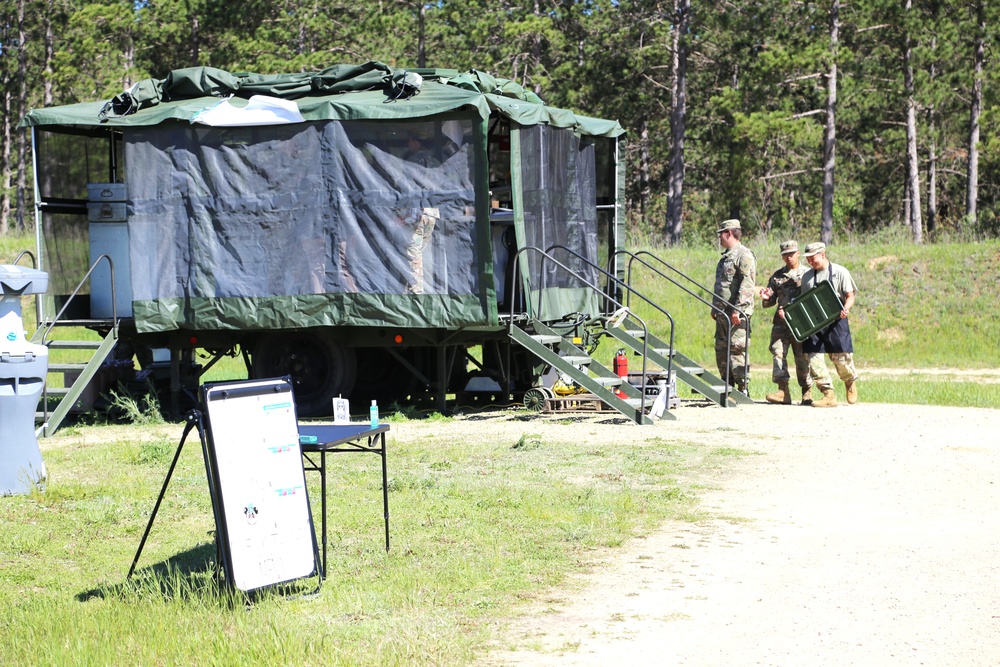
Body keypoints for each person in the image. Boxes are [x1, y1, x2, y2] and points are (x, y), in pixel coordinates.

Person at [793, 242, 859, 408]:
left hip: (836, 320)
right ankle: (828, 394)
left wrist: (846, 308)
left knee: (842, 360)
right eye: (807, 259)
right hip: (814, 324)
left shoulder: (840, 272)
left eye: (812, 258)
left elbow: (850, 295)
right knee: (814, 358)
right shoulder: (807, 277)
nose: (810, 261)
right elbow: (804, 302)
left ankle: (849, 382)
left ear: (822, 254)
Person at [759, 240, 812, 405]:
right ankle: (783, 391)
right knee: (778, 354)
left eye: (792, 253)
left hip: (801, 323)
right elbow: (770, 301)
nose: (789, 257)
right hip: (781, 324)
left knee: (802, 357)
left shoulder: (808, 274)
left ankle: (807, 392)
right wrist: (767, 298)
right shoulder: (777, 276)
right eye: (785, 255)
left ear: (798, 254)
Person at [712, 218, 756, 394]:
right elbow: (721, 285)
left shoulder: (744, 255)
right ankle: (727, 387)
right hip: (722, 313)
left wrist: (739, 309)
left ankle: (742, 388)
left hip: (736, 314)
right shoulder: (725, 258)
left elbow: (747, 284)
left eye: (721, 234)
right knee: (722, 349)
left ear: (729, 233)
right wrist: (715, 307)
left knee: (737, 349)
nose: (719, 238)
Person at [401, 131, 441, 293]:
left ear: (416, 142)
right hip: (432, 212)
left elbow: (409, 189)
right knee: (420, 254)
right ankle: (412, 291)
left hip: (417, 212)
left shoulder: (414, 160)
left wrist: (404, 215)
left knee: (412, 255)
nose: (408, 145)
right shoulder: (435, 162)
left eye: (410, 141)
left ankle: (415, 295)